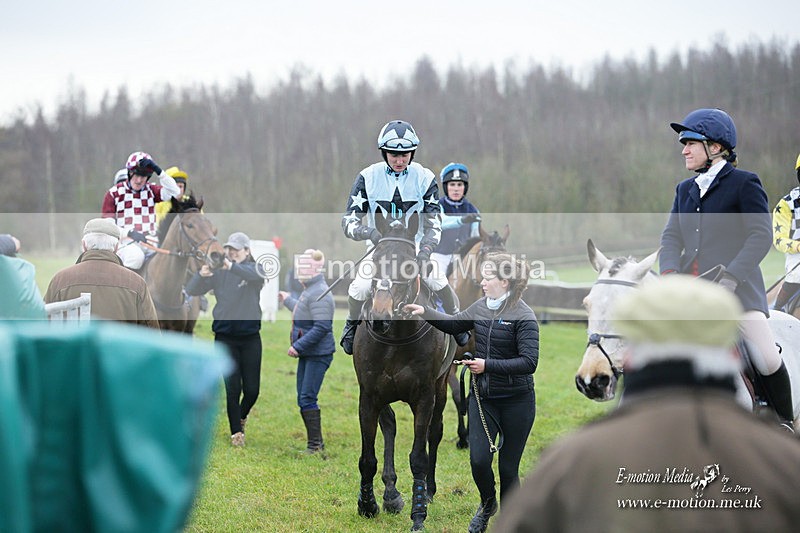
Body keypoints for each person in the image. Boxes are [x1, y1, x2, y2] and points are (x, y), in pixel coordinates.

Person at [493, 276, 800, 532]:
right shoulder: (786, 462)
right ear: (733, 354)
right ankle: (783, 415)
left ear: (629, 354)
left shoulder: (569, 460)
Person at [660, 108, 794, 430]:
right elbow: (670, 237)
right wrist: (668, 275)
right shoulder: (684, 190)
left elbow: (760, 235)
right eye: (683, 143)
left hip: (739, 295)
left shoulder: (744, 183)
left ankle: (784, 423)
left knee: (765, 356)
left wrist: (731, 277)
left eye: (690, 143)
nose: (684, 150)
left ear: (716, 147)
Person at [404, 252, 538, 533]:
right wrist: (425, 311)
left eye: (488, 277)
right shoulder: (480, 306)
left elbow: (529, 363)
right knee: (478, 461)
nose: (482, 281)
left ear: (504, 281)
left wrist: (487, 364)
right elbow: (455, 324)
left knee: (508, 469)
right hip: (483, 398)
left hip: (517, 402)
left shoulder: (525, 316)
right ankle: (488, 504)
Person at [340, 119, 468, 354]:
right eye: (393, 155)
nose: (400, 160)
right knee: (359, 286)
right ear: (384, 153)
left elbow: (433, 223)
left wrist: (426, 252)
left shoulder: (424, 177)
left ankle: (455, 322)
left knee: (438, 281)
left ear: (412, 153)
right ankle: (351, 325)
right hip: (380, 248)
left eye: (405, 155)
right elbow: (348, 221)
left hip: (415, 246)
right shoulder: (367, 177)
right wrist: (369, 232)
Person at [186, 231, 264, 447]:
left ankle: (241, 415)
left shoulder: (255, 268)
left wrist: (231, 266)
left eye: (236, 250)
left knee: (252, 390)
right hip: (224, 338)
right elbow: (192, 290)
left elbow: (256, 275)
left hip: (250, 338)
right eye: (228, 249)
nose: (231, 253)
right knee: (232, 388)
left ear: (247, 251)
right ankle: (236, 433)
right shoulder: (219, 273)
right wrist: (201, 275)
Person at [44, 218, 159, 327]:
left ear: (84, 245)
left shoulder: (59, 280)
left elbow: (43, 324)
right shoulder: (137, 283)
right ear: (116, 247)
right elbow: (152, 333)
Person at [277, 249, 335, 454]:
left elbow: (322, 327)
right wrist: (287, 299)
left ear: (317, 267)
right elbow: (303, 310)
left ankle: (315, 446)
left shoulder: (319, 291)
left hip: (318, 354)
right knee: (303, 397)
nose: (300, 269)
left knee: (307, 397)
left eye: (305, 265)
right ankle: (316, 443)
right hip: (310, 353)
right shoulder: (309, 289)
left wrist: (297, 346)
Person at [101, 151, 181, 270]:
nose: (139, 180)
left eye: (143, 176)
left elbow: (176, 191)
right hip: (124, 243)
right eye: (136, 175)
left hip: (151, 242)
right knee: (136, 257)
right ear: (129, 173)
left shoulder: (152, 190)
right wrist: (129, 233)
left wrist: (158, 171)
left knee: (170, 262)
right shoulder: (113, 193)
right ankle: (125, 287)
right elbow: (108, 227)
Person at [431, 162, 481, 278]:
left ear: (465, 187)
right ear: (446, 187)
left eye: (460, 185)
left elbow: (475, 236)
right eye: (452, 184)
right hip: (440, 256)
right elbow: (441, 222)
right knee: (434, 281)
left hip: (463, 259)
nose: (456, 189)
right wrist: (462, 220)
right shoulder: (437, 206)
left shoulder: (473, 210)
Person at [771, 153, 800, 311]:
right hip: (797, 257)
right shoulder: (786, 204)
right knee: (797, 275)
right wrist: (797, 246)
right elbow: (779, 240)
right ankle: (777, 309)